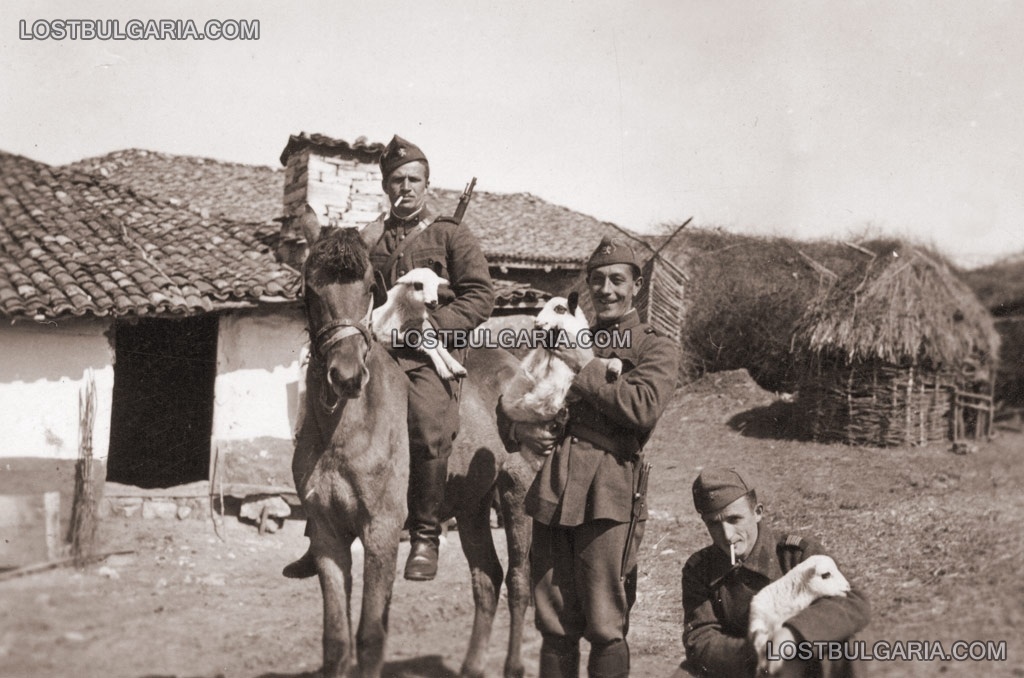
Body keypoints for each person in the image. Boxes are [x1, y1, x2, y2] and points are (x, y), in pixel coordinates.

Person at [284, 134, 494, 581]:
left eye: (414, 179)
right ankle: (318, 531)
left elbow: (481, 296)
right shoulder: (370, 239)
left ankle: (425, 534)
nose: (406, 188)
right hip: (378, 350)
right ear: (385, 186)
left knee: (427, 422)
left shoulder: (450, 234)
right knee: (321, 416)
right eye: (397, 180)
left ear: (427, 184)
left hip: (426, 355)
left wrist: (437, 325)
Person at [499, 236, 680, 678]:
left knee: (605, 622)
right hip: (554, 486)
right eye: (597, 280)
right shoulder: (567, 334)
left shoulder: (654, 347)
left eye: (617, 280)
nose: (606, 290)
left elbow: (642, 408)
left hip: (609, 491)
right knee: (553, 619)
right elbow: (519, 392)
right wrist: (519, 429)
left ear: (636, 285)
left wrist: (586, 364)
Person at [676, 468, 871, 677]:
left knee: (845, 646)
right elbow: (700, 638)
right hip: (745, 666)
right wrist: (761, 652)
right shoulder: (700, 569)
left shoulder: (794, 555)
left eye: (735, 519)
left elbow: (852, 602)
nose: (727, 535)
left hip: (802, 663)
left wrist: (792, 635)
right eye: (714, 523)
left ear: (757, 512)